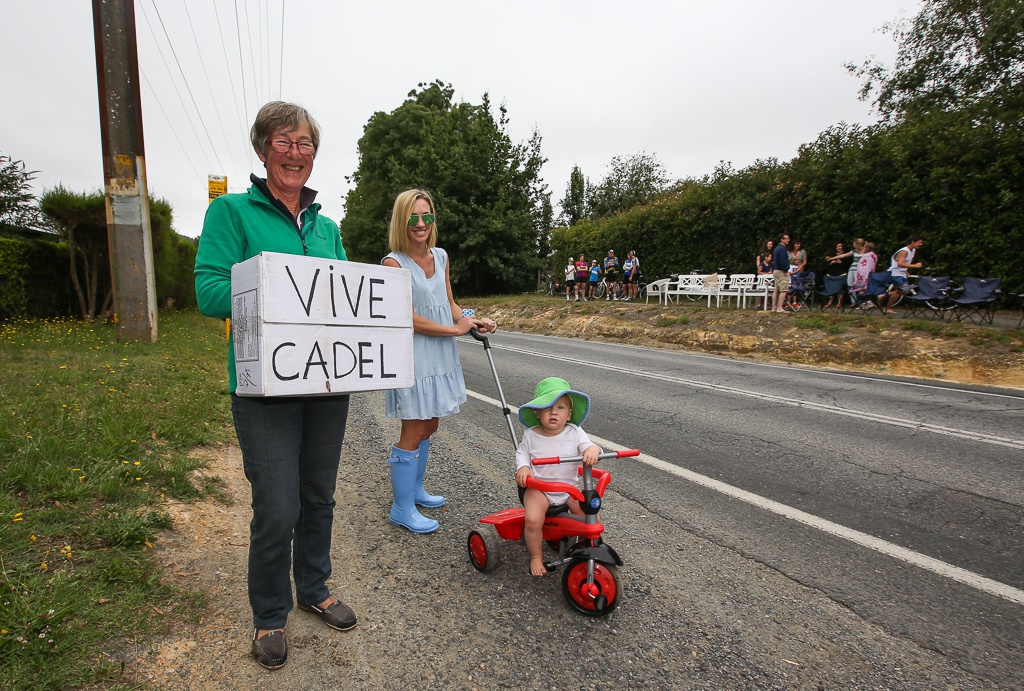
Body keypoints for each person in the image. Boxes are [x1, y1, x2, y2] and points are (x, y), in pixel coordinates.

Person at [194, 101, 356, 670]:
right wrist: (269, 300)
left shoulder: (327, 226)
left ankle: (315, 587)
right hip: (265, 389)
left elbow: (343, 296)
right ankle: (269, 613)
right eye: (284, 142)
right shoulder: (232, 213)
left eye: (305, 144)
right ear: (263, 149)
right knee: (278, 507)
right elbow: (209, 289)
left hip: (325, 383)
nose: (295, 153)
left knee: (319, 497)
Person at [382, 189, 496, 535]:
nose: (420, 224)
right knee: (413, 429)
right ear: (402, 222)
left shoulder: (441, 256)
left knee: (430, 425)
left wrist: (473, 319)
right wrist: (453, 329)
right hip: (414, 354)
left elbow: (449, 303)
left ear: (433, 220)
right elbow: (404, 317)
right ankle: (401, 507)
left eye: (426, 216)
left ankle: (414, 490)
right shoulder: (392, 263)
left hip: (440, 353)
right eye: (412, 217)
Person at [514, 377, 601, 577]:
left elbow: (588, 445)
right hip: (540, 489)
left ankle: (582, 548)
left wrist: (592, 450)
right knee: (534, 520)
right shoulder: (531, 434)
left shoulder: (575, 432)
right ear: (537, 411)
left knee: (591, 518)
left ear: (569, 413)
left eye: (560, 408)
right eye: (548, 407)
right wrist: (524, 468)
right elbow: (522, 453)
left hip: (567, 489)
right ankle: (536, 556)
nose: (554, 412)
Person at [878, 235, 924, 314]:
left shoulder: (912, 250)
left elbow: (905, 262)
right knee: (901, 290)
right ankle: (888, 308)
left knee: (905, 291)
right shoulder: (904, 251)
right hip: (895, 273)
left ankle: (882, 296)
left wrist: (905, 270)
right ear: (913, 242)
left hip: (901, 273)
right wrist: (915, 266)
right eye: (919, 242)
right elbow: (900, 263)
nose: (921, 244)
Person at [771, 232, 792, 313]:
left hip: (775, 270)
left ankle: (774, 307)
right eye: (786, 239)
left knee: (776, 289)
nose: (788, 240)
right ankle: (780, 308)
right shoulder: (782, 249)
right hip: (781, 271)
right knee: (784, 290)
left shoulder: (776, 248)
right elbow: (783, 261)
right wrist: (786, 270)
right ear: (781, 240)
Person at [756, 240, 774, 309]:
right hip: (762, 272)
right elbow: (758, 262)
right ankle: (759, 303)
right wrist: (760, 268)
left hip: (768, 274)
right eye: (769, 244)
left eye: (771, 244)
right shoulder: (761, 254)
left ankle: (765, 303)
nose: (771, 246)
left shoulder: (771, 254)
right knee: (761, 288)